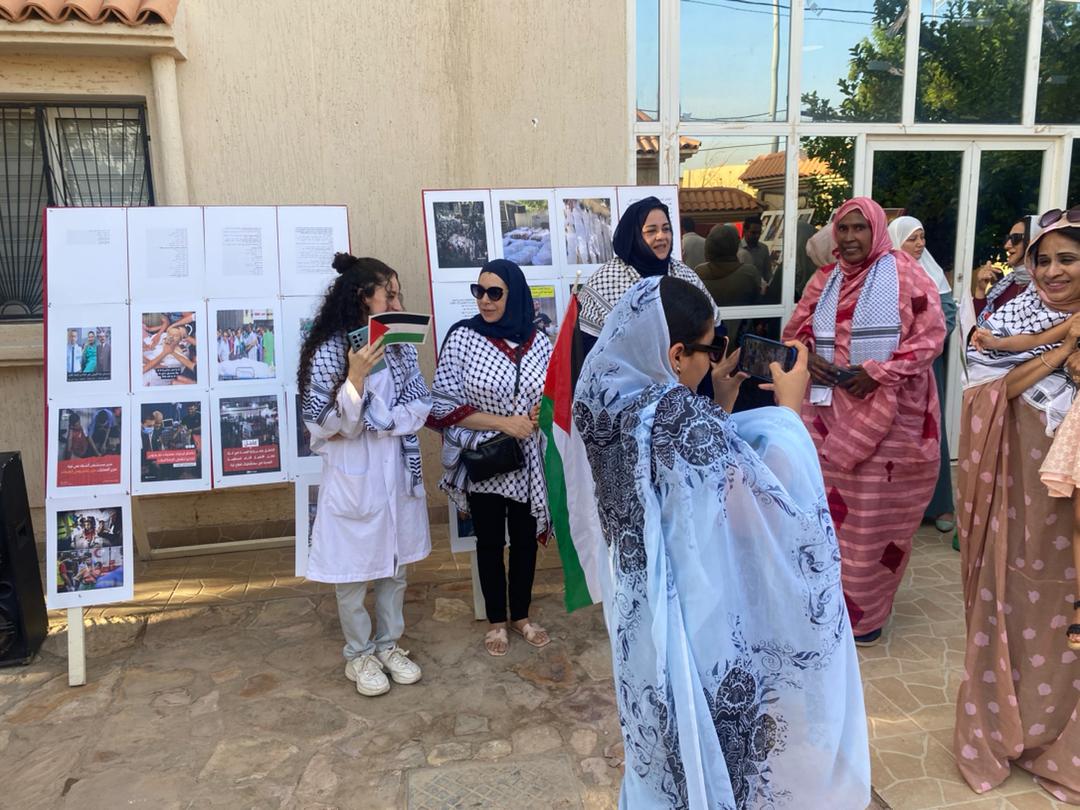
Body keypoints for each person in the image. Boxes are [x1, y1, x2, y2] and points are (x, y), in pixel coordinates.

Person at [573, 275, 870, 808]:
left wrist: (719, 403)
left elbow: (680, 483)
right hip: (693, 602)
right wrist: (788, 412)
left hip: (635, 595)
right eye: (710, 349)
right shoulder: (679, 419)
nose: (716, 360)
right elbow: (755, 507)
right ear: (676, 354)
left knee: (656, 722)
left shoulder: (601, 399)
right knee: (710, 725)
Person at [953, 209, 1080, 801]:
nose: (1052, 271)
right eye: (1043, 259)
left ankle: (1064, 743)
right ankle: (1014, 727)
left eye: (1068, 259)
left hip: (1073, 512)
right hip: (1018, 497)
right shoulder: (1011, 317)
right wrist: (1061, 349)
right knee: (1016, 602)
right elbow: (988, 391)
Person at [782, 197, 946, 646]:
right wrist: (809, 356)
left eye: (860, 228)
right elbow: (795, 332)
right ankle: (827, 608)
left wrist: (878, 373)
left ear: (876, 231)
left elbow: (931, 338)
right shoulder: (824, 279)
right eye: (844, 228)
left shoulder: (907, 274)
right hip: (827, 417)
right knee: (825, 516)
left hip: (893, 422)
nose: (851, 237)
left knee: (875, 523)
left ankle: (865, 617)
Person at [298, 252, 431, 698]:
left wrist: (384, 421)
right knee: (352, 576)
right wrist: (355, 378)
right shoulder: (328, 352)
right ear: (362, 297)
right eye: (388, 295)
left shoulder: (401, 348)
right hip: (354, 478)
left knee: (395, 569)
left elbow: (420, 404)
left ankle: (388, 645)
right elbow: (322, 424)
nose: (397, 303)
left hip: (395, 470)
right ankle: (359, 654)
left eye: (397, 294)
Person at [428, 259, 552, 657]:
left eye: (494, 292)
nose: (485, 300)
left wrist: (539, 413)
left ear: (514, 295)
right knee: (490, 540)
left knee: (525, 541)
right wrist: (505, 423)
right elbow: (443, 405)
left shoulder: (539, 341)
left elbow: (551, 393)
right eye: (478, 291)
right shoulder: (463, 338)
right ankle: (497, 620)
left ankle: (522, 616)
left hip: (527, 458)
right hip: (485, 457)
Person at [888, 215, 958, 534]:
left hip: (927, 366)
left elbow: (949, 317)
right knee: (899, 434)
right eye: (912, 238)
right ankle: (902, 508)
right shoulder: (884, 273)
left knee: (931, 430)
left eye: (922, 237)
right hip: (894, 367)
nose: (919, 244)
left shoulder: (932, 274)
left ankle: (941, 504)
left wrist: (921, 344)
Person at [576, 196, 718, 354]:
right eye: (651, 231)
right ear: (633, 236)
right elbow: (589, 349)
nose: (661, 236)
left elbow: (714, 327)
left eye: (666, 229)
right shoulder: (605, 282)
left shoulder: (684, 275)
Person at [974, 215, 1040, 326]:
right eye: (1007, 238)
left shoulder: (1045, 290)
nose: (1007, 245)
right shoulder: (1006, 284)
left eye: (1015, 238)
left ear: (1033, 241)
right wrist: (980, 289)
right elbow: (978, 323)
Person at [737, 213, 773, 293]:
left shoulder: (763, 249)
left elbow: (768, 273)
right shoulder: (736, 248)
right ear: (745, 231)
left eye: (759, 233)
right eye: (753, 233)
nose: (757, 236)